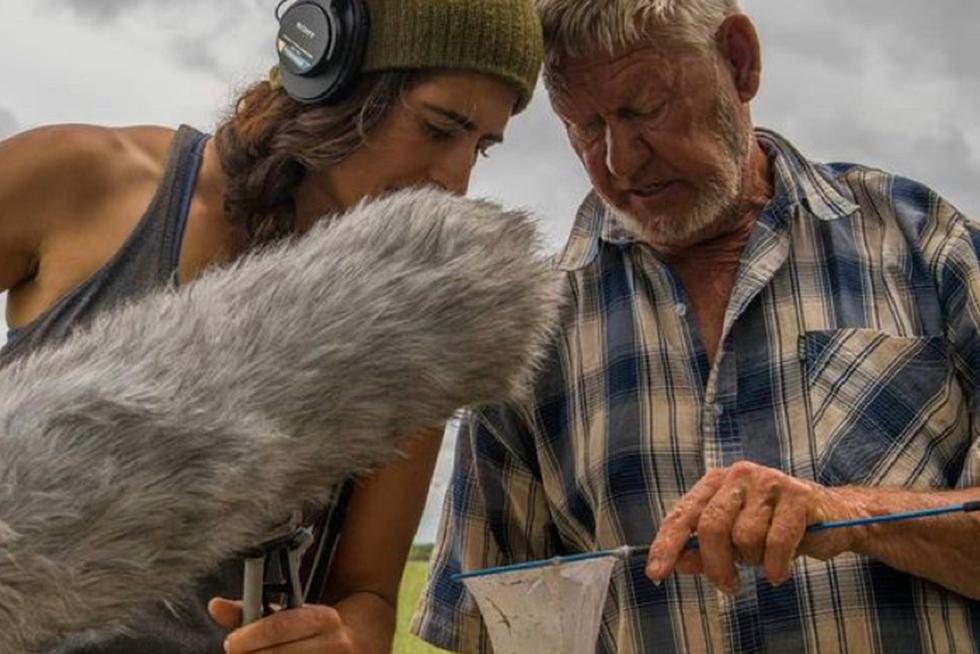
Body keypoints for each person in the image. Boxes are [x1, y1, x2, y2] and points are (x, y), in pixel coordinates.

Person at [414, 1, 980, 651]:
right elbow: (490, 624)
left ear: (739, 61)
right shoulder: (528, 328)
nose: (620, 160)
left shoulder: (928, 247)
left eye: (643, 109)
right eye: (584, 125)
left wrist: (848, 513)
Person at [0, 0, 543, 652]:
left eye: (480, 148)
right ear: (328, 68)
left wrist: (337, 641)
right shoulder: (82, 179)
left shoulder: (415, 315)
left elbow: (366, 594)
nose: (454, 181)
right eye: (436, 128)